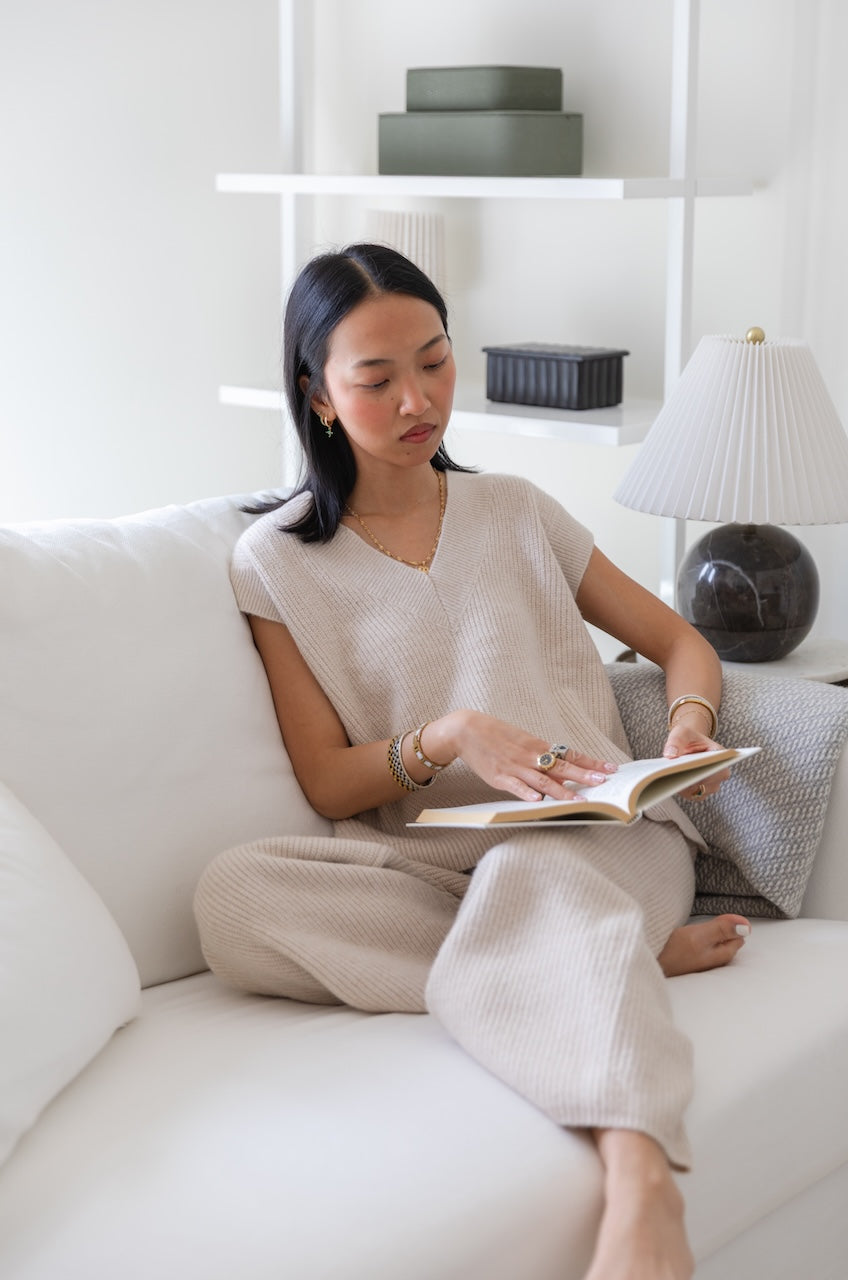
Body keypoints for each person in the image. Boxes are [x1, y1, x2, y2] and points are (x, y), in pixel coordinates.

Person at [194, 243, 750, 1280]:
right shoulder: (272, 561)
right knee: (233, 898)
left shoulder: (516, 510)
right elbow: (327, 782)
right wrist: (445, 737)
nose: (418, 399)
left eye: (435, 362)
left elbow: (684, 643)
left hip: (595, 837)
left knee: (532, 870)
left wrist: (683, 724)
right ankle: (602, 954)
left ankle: (640, 1177)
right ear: (317, 396)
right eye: (376, 378)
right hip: (434, 861)